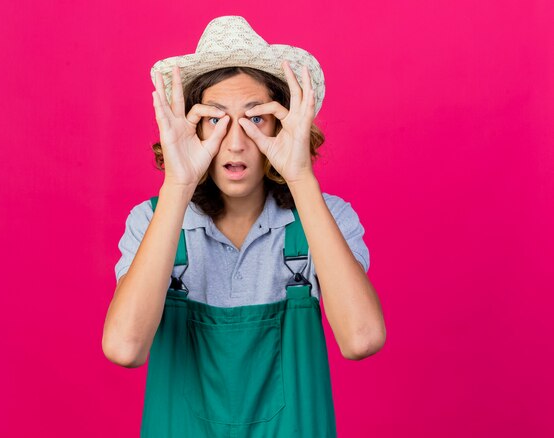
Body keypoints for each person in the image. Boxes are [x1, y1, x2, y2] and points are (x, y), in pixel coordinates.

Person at [102, 15, 386, 437]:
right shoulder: (153, 221)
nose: (235, 142)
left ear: (282, 124)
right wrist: (179, 184)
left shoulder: (324, 220)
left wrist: (301, 177)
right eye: (215, 119)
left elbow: (362, 339)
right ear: (192, 127)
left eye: (255, 118)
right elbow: (125, 349)